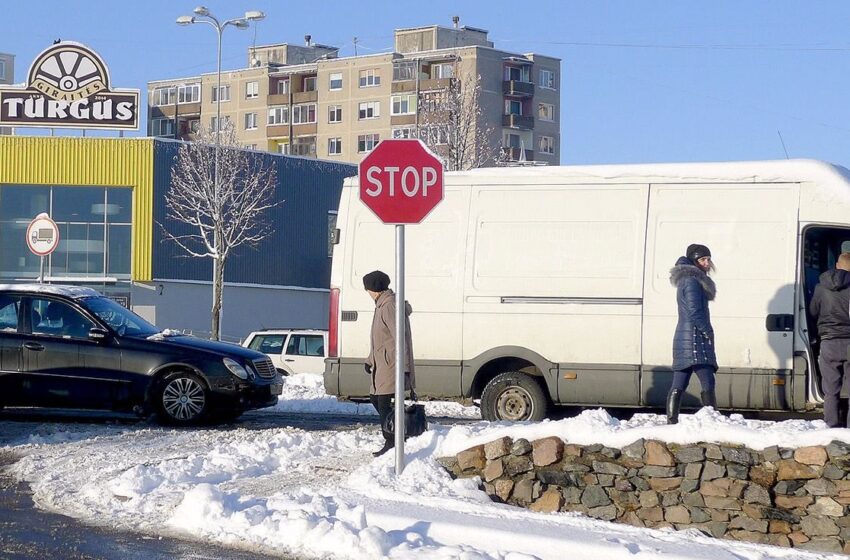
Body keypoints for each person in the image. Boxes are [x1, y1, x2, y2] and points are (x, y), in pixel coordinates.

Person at [363, 270, 416, 457]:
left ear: (374, 289)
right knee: (376, 399)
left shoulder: (388, 306)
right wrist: (370, 360)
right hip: (382, 364)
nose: (367, 293)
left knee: (383, 403)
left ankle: (392, 440)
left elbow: (400, 338)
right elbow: (379, 340)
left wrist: (405, 369)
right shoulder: (381, 305)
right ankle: (397, 434)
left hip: (392, 364)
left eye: (367, 289)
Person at [667, 244, 717, 424]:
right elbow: (695, 311)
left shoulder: (688, 279)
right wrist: (707, 330)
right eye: (703, 259)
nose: (707, 262)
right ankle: (712, 420)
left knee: (680, 382)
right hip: (694, 338)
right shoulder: (692, 280)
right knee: (707, 379)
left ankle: (672, 421)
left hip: (685, 337)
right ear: (694, 261)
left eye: (708, 259)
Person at [809, 252, 850, 428]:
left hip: (828, 342)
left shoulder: (820, 287)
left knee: (830, 390)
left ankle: (831, 426)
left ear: (837, 265)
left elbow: (812, 312)